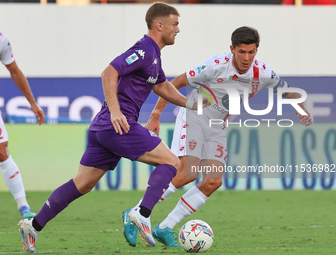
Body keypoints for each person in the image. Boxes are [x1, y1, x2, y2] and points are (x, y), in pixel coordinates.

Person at [18, 2, 209, 253]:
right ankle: (141, 214)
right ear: (159, 25)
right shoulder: (143, 51)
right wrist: (117, 111)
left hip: (103, 129)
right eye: (175, 24)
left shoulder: (154, 56)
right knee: (172, 163)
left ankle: (33, 225)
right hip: (117, 125)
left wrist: (190, 104)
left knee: (82, 184)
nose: (178, 30)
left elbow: (161, 85)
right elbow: (108, 72)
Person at [123, 26, 313, 247]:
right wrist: (156, 114)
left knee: (213, 181)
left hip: (218, 124)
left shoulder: (262, 72)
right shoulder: (216, 65)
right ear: (232, 49)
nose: (247, 57)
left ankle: (165, 227)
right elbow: (177, 82)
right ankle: (136, 212)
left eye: (252, 52)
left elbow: (285, 89)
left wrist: (301, 108)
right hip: (194, 115)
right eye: (242, 52)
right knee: (187, 173)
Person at [0, 29, 45, 219]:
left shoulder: (0, 40)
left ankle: (23, 206)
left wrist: (32, 103)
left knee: (1, 150)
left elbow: (14, 71)